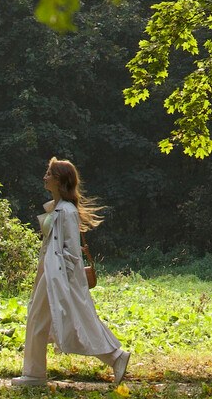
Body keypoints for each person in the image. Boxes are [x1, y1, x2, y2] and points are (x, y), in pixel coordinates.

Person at [12, 156, 131, 387]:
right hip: (50, 273)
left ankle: (34, 375)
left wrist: (61, 279)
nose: (45, 177)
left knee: (48, 319)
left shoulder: (66, 211)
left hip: (56, 275)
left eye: (49, 174)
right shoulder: (58, 208)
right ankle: (115, 358)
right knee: (57, 319)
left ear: (59, 180)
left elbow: (71, 250)